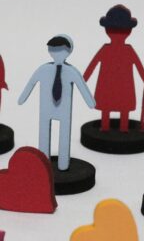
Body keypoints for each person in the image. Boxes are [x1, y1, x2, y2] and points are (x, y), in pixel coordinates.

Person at [18, 35, 95, 171]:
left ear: (68, 51)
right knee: (43, 134)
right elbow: (31, 83)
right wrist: (22, 98)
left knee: (64, 135)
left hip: (64, 109)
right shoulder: (43, 70)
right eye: (53, 49)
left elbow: (82, 86)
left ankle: (63, 164)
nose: (56, 53)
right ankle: (43, 163)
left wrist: (90, 103)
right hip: (46, 107)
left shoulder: (71, 72)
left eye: (60, 50)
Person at [84, 5, 144, 132]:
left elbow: (138, 65)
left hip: (118, 85)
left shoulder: (125, 50)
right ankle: (107, 127)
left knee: (118, 106)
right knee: (110, 106)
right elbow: (93, 64)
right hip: (115, 85)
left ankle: (122, 129)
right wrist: (83, 79)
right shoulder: (111, 49)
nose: (118, 34)